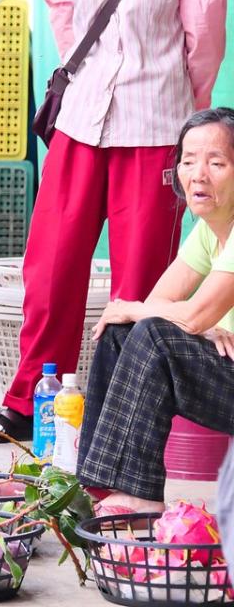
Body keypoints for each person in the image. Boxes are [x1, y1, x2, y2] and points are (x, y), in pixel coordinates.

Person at [0, 0, 229, 440]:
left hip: (156, 121)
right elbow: (59, 2)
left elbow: (203, 40)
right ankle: (31, 398)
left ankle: (113, 414)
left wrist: (184, 105)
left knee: (138, 285)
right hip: (80, 119)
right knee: (50, 270)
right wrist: (88, 76)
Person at [79, 108, 234, 513]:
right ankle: (94, 484)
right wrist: (197, 325)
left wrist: (192, 321)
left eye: (216, 163)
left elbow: (188, 315)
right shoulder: (209, 229)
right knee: (120, 332)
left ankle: (141, 496)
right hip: (224, 361)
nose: (198, 174)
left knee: (148, 332)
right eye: (188, 161)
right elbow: (159, 304)